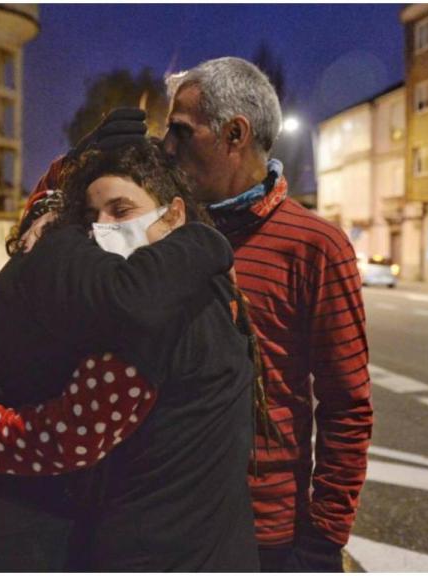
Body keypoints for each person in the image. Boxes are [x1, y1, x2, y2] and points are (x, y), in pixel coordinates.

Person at [0, 139, 259, 571]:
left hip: (151, 551)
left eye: (121, 211)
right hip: (214, 546)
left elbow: (71, 436)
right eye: (91, 217)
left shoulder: (144, 312)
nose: (103, 227)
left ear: (175, 213)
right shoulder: (205, 289)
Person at [158, 57, 374, 572]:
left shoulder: (315, 246)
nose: (167, 147)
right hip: (163, 519)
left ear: (235, 134)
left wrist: (323, 540)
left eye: (181, 132)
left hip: (265, 535)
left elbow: (347, 406)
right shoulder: (166, 229)